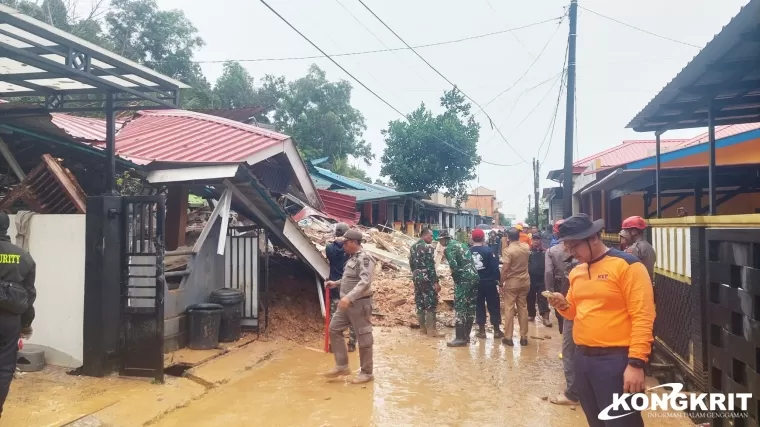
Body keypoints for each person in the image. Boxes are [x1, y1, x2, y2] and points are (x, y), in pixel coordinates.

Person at [547, 214, 656, 426]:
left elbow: (643, 316)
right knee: (596, 421)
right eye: (567, 247)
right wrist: (562, 305)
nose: (571, 252)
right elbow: (574, 312)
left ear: (594, 238)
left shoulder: (628, 266)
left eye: (574, 246)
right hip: (583, 359)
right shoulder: (578, 271)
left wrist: (636, 363)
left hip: (616, 360)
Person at [323, 229, 376, 384]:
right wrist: (336, 283)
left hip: (359, 303)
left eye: (346, 242)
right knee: (334, 329)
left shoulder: (365, 258)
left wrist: (349, 297)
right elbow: (350, 278)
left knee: (364, 337)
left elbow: (365, 281)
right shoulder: (352, 258)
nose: (343, 245)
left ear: (354, 242)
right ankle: (342, 365)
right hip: (346, 303)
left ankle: (367, 373)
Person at [0, 212, 36, 416]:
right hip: (9, 320)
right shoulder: (23, 257)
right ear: (7, 228)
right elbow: (29, 296)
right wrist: (25, 323)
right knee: (4, 368)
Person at [544, 222, 579, 407]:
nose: (568, 249)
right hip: (572, 298)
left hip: (561, 289)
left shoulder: (552, 251)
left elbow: (549, 271)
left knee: (569, 347)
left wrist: (549, 291)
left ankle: (573, 393)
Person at [438, 230, 479, 347]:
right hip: (475, 277)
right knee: (471, 306)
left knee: (460, 306)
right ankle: (466, 336)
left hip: (464, 279)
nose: (440, 243)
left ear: (443, 239)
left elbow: (454, 266)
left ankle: (460, 338)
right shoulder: (462, 244)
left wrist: (457, 281)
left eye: (440, 240)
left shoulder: (448, 248)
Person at [325, 223, 356, 352]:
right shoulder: (349, 249)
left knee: (334, 317)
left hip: (334, 287)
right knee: (353, 317)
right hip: (348, 287)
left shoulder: (329, 248)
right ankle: (352, 344)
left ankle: (335, 345)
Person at [409, 228, 443, 337]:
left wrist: (415, 274)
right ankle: (432, 330)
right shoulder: (428, 248)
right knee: (431, 302)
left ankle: (422, 329)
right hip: (426, 277)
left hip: (416, 276)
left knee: (419, 301)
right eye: (431, 236)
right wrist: (436, 282)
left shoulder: (413, 247)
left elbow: (411, 263)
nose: (432, 238)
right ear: (425, 235)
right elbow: (430, 267)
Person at [469, 229, 503, 339]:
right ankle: (497, 331)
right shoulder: (488, 251)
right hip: (489, 283)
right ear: (483, 238)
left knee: (479, 306)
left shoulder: (468, 251)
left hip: (475, 283)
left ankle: (482, 331)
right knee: (493, 305)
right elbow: (495, 268)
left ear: (472, 238)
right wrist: (498, 280)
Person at [500, 227, 531, 346]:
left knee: (509, 309)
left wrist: (501, 283)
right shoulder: (526, 247)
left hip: (512, 283)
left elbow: (505, 269)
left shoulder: (508, 251)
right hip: (525, 281)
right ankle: (524, 337)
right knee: (523, 307)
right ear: (519, 236)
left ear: (508, 237)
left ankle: (508, 337)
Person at [619, 216, 656, 281]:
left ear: (633, 232)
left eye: (626, 231)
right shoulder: (648, 246)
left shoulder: (634, 249)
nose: (624, 233)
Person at [528, 234, 551, 327]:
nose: (536, 241)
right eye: (534, 239)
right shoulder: (528, 252)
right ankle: (531, 314)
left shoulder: (546, 252)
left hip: (542, 279)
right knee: (530, 298)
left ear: (541, 240)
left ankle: (545, 318)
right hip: (530, 279)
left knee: (543, 298)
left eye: (538, 239)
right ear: (532, 240)